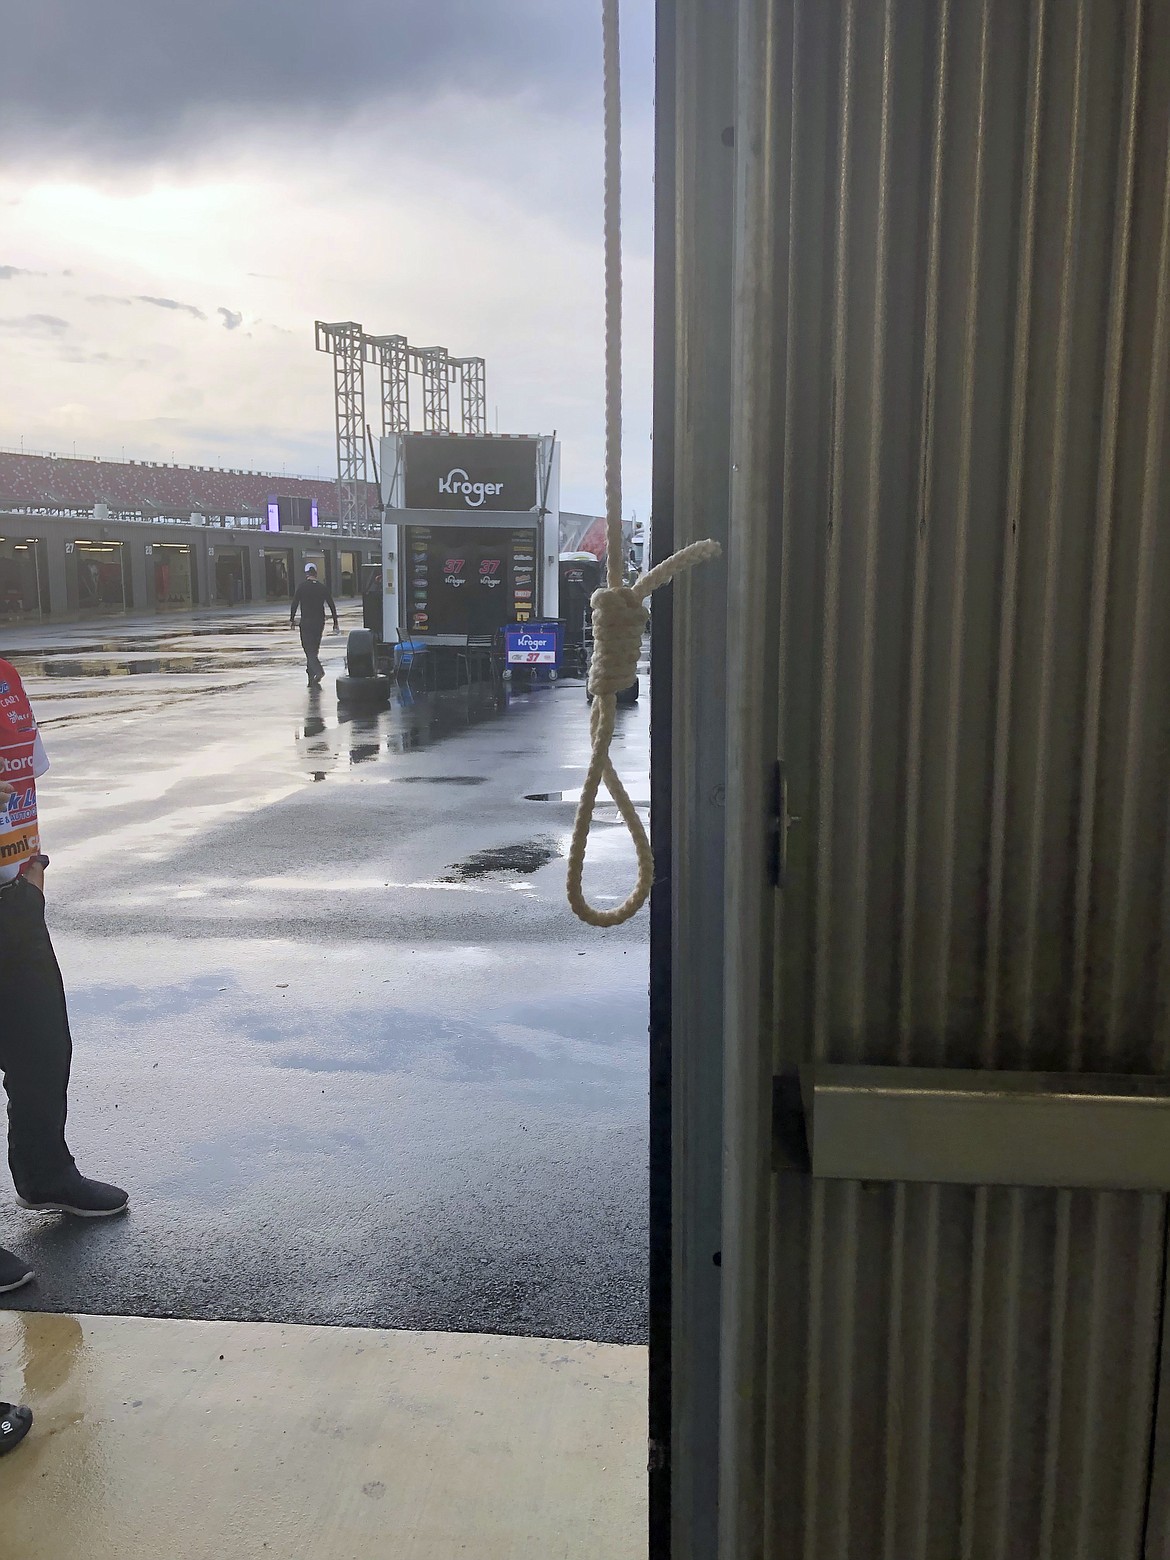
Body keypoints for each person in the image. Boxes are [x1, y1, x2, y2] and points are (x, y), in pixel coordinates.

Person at [0, 655, 129, 1310]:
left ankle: (45, 1171)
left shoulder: (6, 682)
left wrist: (30, 872)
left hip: (14, 896)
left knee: (42, 1041)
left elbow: (22, 776)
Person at [289, 564, 339, 686]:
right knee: (314, 649)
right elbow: (331, 604)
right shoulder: (322, 588)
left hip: (306, 622)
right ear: (316, 573)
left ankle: (318, 671)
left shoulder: (302, 587)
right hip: (319, 622)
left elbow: (294, 603)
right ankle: (311, 674)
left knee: (308, 649)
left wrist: (292, 619)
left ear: (307, 574)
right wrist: (335, 622)